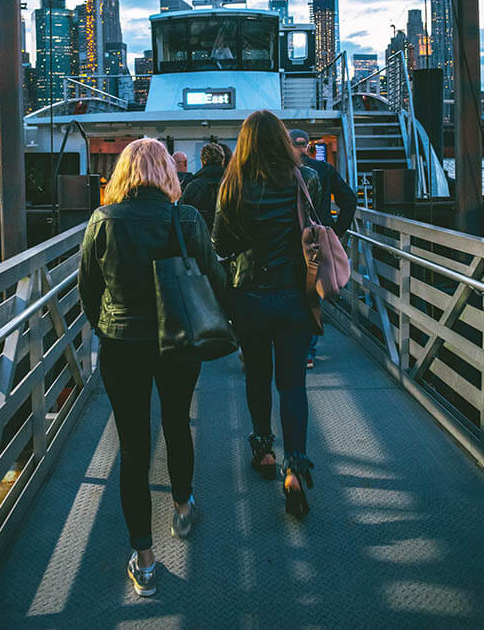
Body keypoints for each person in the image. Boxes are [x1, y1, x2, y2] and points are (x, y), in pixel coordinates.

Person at [78, 138, 225, 597]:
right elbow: (214, 280)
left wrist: (106, 328)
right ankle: (182, 508)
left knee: (133, 446)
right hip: (178, 342)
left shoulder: (102, 220)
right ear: (169, 172)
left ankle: (144, 559)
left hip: (123, 345)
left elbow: (88, 288)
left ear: (124, 173)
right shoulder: (187, 219)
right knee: (177, 422)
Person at [212, 110, 321, 517]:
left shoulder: (233, 186)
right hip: (294, 295)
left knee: (257, 375)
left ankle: (264, 452)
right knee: (293, 384)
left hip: (250, 297)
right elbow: (315, 227)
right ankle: (296, 465)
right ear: (279, 139)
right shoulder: (303, 179)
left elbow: (219, 244)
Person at [289, 129, 357, 369]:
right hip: (318, 241)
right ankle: (308, 350)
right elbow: (349, 200)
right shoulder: (324, 170)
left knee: (292, 292)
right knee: (313, 293)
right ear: (308, 147)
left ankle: (290, 346)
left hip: (291, 241)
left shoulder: (282, 172)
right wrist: (336, 231)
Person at [180, 142, 225, 229]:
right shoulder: (232, 185)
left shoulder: (192, 186)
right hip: (227, 239)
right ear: (222, 160)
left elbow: (182, 215)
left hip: (199, 238)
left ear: (202, 161)